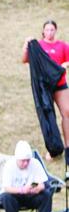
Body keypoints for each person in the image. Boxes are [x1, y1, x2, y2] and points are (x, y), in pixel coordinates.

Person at [22, 20, 69, 165]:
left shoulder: (62, 46)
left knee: (67, 112)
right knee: (48, 116)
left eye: (52, 30)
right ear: (43, 31)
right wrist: (26, 45)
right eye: (47, 30)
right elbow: (25, 60)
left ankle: (68, 146)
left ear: (56, 31)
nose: (49, 32)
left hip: (60, 84)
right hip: (44, 88)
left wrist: (65, 64)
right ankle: (53, 148)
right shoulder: (38, 46)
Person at [0, 140, 53, 212]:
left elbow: (42, 184)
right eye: (23, 161)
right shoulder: (9, 165)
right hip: (14, 196)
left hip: (31, 195)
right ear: (17, 158)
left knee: (46, 194)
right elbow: (6, 188)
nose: (26, 163)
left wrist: (36, 188)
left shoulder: (35, 163)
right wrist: (22, 190)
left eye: (28, 160)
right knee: (6, 197)